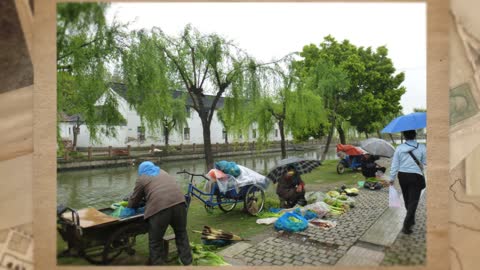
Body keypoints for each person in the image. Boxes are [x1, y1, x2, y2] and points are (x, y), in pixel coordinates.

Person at [127, 161, 192, 265]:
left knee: (155, 242)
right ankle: (187, 263)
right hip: (180, 203)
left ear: (141, 170)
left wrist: (129, 207)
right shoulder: (163, 172)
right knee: (181, 234)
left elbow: (134, 199)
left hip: (160, 209)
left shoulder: (142, 178)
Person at [389, 130, 426, 234]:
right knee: (413, 201)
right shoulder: (421, 147)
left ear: (404, 137)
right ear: (415, 135)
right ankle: (406, 225)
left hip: (403, 176)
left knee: (407, 199)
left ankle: (411, 219)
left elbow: (395, 164)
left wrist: (391, 178)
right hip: (415, 176)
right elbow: (426, 161)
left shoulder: (399, 148)